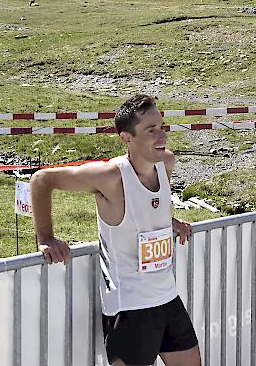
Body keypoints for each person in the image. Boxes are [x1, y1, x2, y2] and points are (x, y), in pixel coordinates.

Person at [31, 94, 201, 366]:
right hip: (130, 308)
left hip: (167, 298)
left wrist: (172, 223)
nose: (162, 137)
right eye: (151, 130)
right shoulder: (110, 177)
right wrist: (46, 237)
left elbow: (148, 208)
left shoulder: (165, 163)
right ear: (127, 139)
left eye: (162, 127)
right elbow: (42, 180)